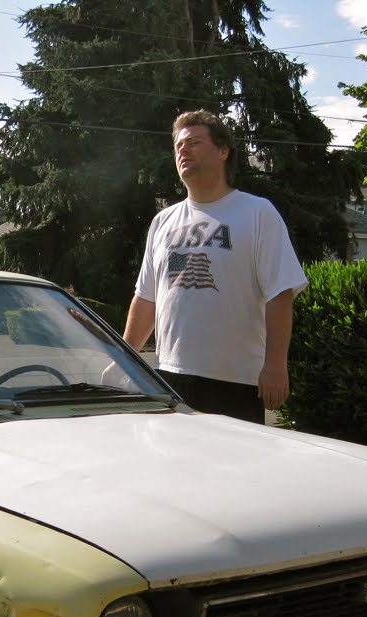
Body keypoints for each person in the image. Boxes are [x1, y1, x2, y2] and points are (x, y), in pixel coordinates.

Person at [122, 109, 308, 423]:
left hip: (234, 381)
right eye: (178, 146)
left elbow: (280, 292)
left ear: (223, 151)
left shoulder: (257, 213)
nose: (183, 150)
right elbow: (148, 297)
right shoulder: (163, 222)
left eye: (193, 142)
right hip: (170, 377)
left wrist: (276, 365)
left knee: (233, 471)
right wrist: (124, 358)